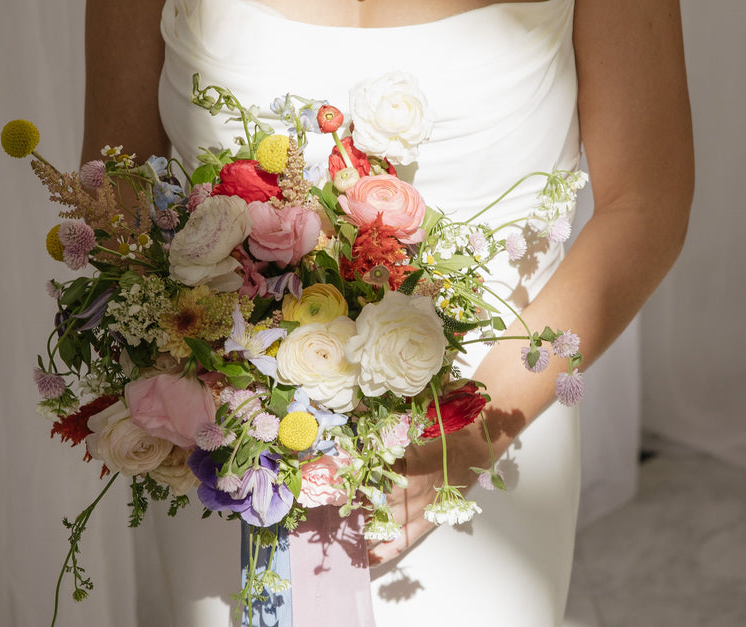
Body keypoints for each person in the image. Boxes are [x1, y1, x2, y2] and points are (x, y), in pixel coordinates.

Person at [82, 0, 692, 624]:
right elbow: (114, 177)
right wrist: (171, 347)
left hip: (489, 412)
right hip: (222, 436)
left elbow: (646, 203)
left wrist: (467, 438)